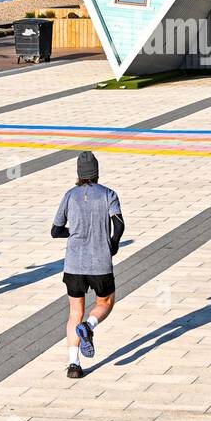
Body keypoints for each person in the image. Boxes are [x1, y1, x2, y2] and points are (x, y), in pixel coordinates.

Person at [50, 151, 124, 379]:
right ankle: (90, 326)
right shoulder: (109, 194)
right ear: (97, 172)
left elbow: (55, 231)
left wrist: (75, 232)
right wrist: (113, 243)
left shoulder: (70, 196)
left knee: (75, 312)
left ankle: (74, 365)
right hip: (99, 262)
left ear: (79, 174)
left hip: (74, 263)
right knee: (106, 301)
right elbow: (119, 225)